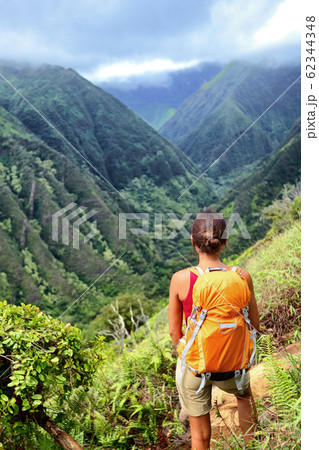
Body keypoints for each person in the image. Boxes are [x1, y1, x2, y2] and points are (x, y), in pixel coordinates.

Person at [169, 210, 260, 450]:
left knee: (199, 437)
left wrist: (189, 354)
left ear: (193, 241)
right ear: (225, 242)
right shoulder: (241, 276)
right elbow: (255, 326)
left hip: (196, 368)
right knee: (243, 399)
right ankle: (253, 446)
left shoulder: (180, 279)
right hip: (234, 363)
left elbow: (173, 332)